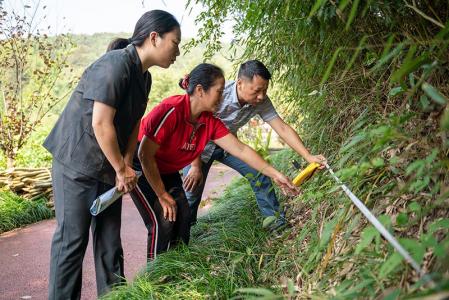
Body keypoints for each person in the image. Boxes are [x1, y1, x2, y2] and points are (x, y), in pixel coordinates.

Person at [43, 10, 181, 299]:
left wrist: (126, 162)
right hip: (76, 164)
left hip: (108, 168)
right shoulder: (115, 65)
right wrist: (121, 168)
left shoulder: (144, 79)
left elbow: (133, 127)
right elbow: (100, 123)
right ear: (154, 38)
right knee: (71, 243)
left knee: (109, 244)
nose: (177, 51)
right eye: (174, 42)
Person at [129, 63, 298, 261]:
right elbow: (144, 155)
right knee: (164, 219)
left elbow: (241, 149)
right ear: (200, 91)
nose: (222, 95)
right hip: (140, 165)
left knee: (181, 213)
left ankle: (176, 264)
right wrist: (162, 193)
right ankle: (154, 275)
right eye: (219, 91)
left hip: (166, 168)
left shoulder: (210, 121)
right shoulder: (171, 110)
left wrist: (275, 174)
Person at [183, 60, 327, 228]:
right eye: (257, 90)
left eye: (265, 90)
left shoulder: (261, 101)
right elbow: (191, 127)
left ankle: (277, 226)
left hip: (229, 147)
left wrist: (308, 156)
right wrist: (195, 165)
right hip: (197, 149)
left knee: (259, 174)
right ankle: (182, 239)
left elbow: (282, 128)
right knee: (191, 194)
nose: (261, 96)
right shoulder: (217, 95)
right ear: (240, 83)